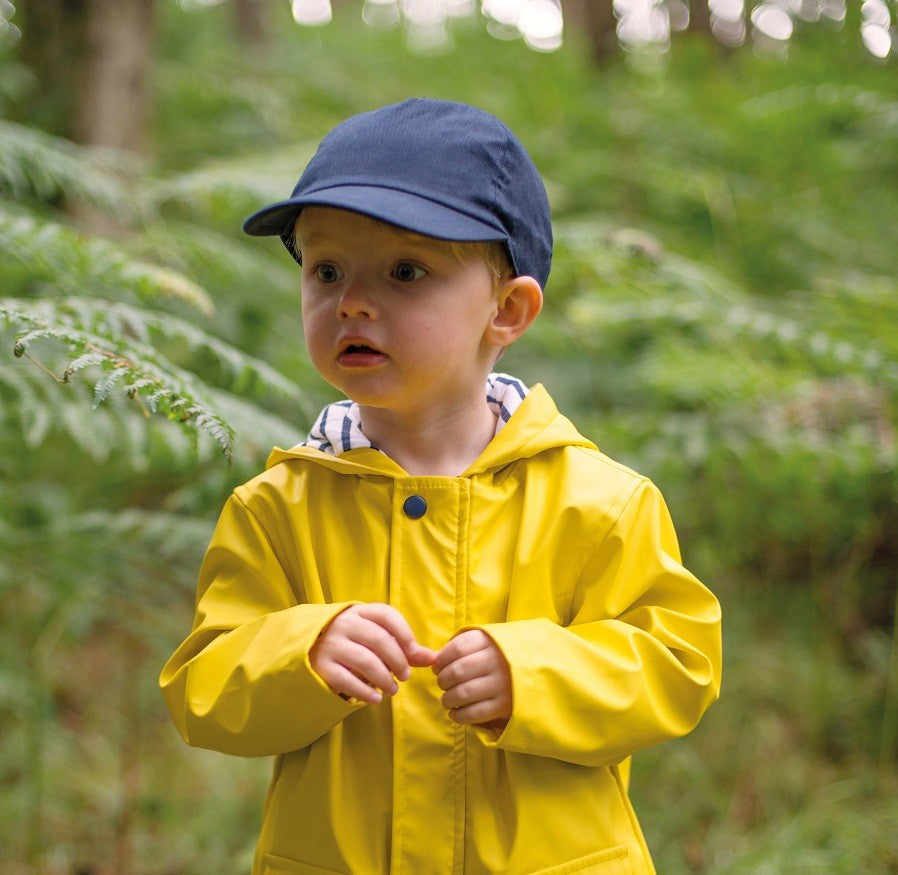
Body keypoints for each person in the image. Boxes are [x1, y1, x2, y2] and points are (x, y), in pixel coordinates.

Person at [159, 98, 722, 875]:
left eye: (405, 271)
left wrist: (529, 672)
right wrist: (301, 653)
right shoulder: (276, 508)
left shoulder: (600, 501)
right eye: (326, 270)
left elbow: (677, 663)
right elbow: (203, 686)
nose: (351, 300)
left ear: (508, 309)